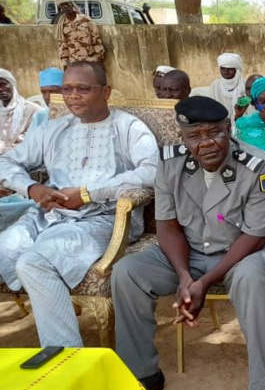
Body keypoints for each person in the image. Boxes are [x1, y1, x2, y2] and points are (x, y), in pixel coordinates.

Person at [113, 96, 265, 390]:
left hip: (253, 250)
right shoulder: (170, 165)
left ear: (229, 129)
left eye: (215, 133)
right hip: (194, 251)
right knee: (128, 272)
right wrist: (184, 276)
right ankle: (143, 373)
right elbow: (167, 226)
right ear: (182, 137)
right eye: (195, 135)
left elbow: (255, 236)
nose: (206, 143)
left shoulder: (257, 167)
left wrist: (204, 282)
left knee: (251, 279)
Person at [0, 62, 159, 346]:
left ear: (105, 91)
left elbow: (152, 171)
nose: (73, 96)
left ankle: (66, 356)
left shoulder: (127, 127)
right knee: (7, 248)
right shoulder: (53, 129)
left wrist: (88, 194)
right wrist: (33, 188)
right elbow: (6, 161)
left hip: (104, 218)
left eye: (83, 89)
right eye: (67, 89)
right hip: (49, 213)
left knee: (33, 262)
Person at [0, 69, 46, 230]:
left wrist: (6, 149)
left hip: (19, 159)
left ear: (12, 84)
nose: (0, 89)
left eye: (3, 84)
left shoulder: (33, 111)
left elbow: (32, 146)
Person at [55, 0, 105, 67]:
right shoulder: (62, 24)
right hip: (74, 63)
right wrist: (65, 65)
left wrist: (97, 59)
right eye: (62, 5)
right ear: (60, 7)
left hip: (90, 60)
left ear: (71, 4)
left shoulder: (86, 19)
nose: (65, 6)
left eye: (67, 3)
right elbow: (63, 46)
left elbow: (96, 40)